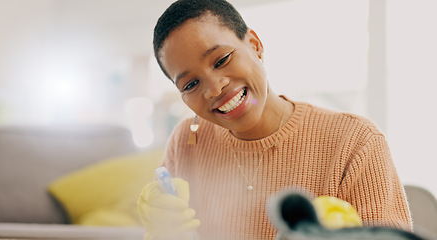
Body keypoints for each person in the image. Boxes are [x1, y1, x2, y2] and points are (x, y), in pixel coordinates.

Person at [137, 0, 412, 239]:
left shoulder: (355, 141)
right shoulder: (187, 141)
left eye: (221, 60)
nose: (214, 88)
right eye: (190, 84)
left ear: (255, 45)